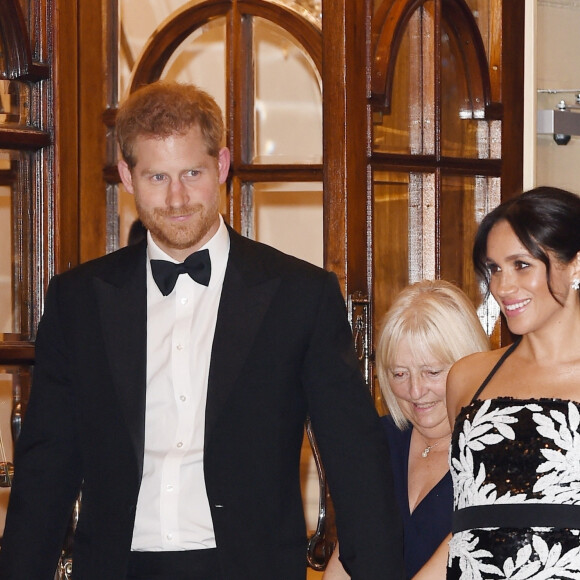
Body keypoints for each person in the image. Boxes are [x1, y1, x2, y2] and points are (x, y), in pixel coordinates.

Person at [0, 81, 404, 580]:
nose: (177, 197)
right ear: (127, 176)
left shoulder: (301, 294)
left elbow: (354, 457)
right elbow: (46, 467)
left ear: (223, 166)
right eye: (157, 176)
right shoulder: (77, 300)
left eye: (192, 172)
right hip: (115, 567)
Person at [446, 186, 580, 579]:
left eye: (521, 265)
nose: (502, 287)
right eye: (494, 269)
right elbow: (465, 526)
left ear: (575, 265)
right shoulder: (467, 378)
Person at [323, 280, 489, 580]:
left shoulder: (492, 450)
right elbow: (348, 555)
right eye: (399, 373)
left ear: (470, 363)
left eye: (432, 372)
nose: (415, 391)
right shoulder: (381, 441)